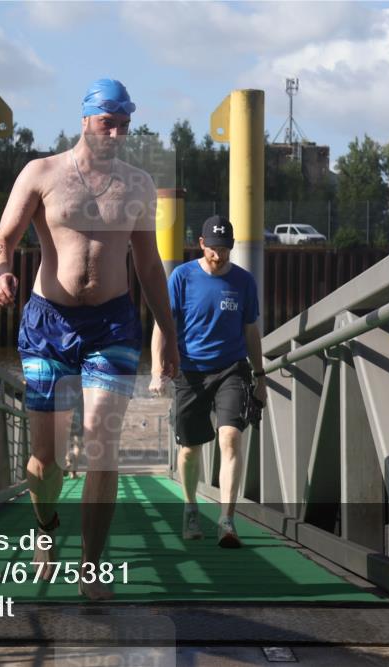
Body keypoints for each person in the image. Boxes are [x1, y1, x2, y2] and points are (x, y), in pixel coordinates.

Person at [0, 78, 179, 600]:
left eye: (123, 125)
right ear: (86, 119)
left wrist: (168, 329)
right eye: (107, 122)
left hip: (113, 325)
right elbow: (2, 239)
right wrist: (3, 273)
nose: (115, 133)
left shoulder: (138, 185)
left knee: (101, 444)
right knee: (45, 459)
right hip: (48, 323)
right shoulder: (42, 173)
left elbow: (149, 264)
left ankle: (91, 567)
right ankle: (45, 526)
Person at [149, 216, 267, 548]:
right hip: (190, 372)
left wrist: (260, 376)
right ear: (201, 244)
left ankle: (227, 520)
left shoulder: (244, 281)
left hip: (232, 369)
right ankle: (190, 508)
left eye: (226, 249)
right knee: (189, 449)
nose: (220, 256)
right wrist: (158, 370)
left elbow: (250, 330)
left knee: (230, 439)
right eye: (214, 249)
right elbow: (163, 324)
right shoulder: (182, 277)